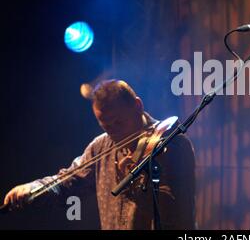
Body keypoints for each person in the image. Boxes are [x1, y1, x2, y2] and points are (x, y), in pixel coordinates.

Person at [3, 79, 196, 230]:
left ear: (137, 106)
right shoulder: (101, 145)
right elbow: (68, 181)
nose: (114, 132)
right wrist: (33, 188)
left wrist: (136, 183)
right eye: (106, 126)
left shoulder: (172, 143)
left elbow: (178, 214)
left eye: (118, 123)